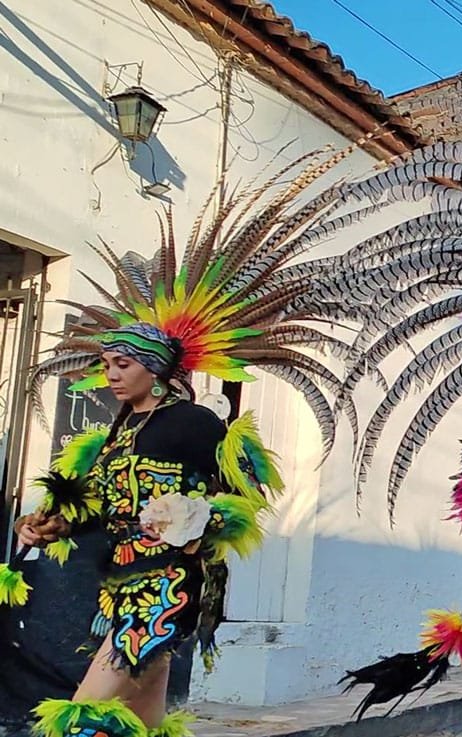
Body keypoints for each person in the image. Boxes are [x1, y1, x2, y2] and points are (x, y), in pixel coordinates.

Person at [2, 160, 339, 737]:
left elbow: (240, 499)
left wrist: (192, 523)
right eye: (105, 365)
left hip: (168, 586)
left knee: (83, 710)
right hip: (119, 584)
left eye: (123, 365)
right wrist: (53, 524)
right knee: (144, 713)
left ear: (155, 373)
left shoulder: (191, 424)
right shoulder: (116, 432)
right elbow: (99, 505)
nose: (110, 375)